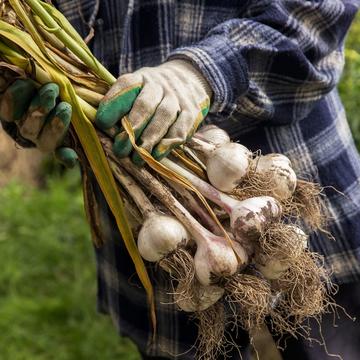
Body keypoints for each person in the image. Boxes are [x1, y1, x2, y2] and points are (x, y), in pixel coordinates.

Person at [1, 0, 360, 358]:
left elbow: (318, 11)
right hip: (164, 251)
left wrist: (199, 73)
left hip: (299, 187)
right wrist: (30, 110)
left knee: (328, 336)